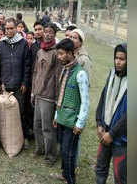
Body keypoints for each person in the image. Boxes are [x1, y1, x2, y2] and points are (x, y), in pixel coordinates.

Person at [51, 38, 89, 184]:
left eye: (61, 54)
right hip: (62, 118)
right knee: (64, 151)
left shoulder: (80, 74)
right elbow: (61, 94)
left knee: (68, 152)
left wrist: (80, 123)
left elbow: (85, 101)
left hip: (72, 121)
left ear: (70, 53)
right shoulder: (65, 70)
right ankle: (65, 175)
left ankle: (70, 179)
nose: (59, 57)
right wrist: (56, 115)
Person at [0, 17, 31, 149]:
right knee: (4, 112)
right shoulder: (1, 44)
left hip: (19, 85)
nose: (9, 31)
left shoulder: (23, 44)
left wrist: (25, 82)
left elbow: (27, 65)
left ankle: (24, 137)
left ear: (16, 28)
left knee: (20, 112)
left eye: (11, 28)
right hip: (5, 84)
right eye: (7, 28)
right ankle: (5, 138)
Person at [95, 43, 127, 184]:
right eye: (116, 58)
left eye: (122, 59)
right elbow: (103, 98)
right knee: (100, 169)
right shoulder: (111, 74)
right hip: (105, 132)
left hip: (121, 139)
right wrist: (99, 123)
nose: (118, 62)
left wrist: (112, 134)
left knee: (120, 176)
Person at [31, 22, 62, 165]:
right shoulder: (39, 51)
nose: (48, 34)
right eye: (46, 32)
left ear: (54, 34)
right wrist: (33, 91)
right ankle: (40, 148)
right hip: (37, 93)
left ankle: (51, 155)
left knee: (47, 127)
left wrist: (56, 98)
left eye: (51, 32)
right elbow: (36, 73)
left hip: (48, 96)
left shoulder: (57, 53)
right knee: (36, 124)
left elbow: (57, 77)